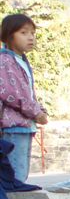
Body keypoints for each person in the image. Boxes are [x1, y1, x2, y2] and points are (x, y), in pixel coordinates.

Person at [0, 13, 48, 182]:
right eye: (24, 32)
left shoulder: (21, 60)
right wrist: (36, 113)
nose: (30, 38)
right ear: (8, 35)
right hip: (13, 126)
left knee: (21, 174)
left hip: (24, 126)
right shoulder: (5, 60)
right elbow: (12, 94)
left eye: (32, 33)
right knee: (15, 178)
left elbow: (28, 93)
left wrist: (41, 110)